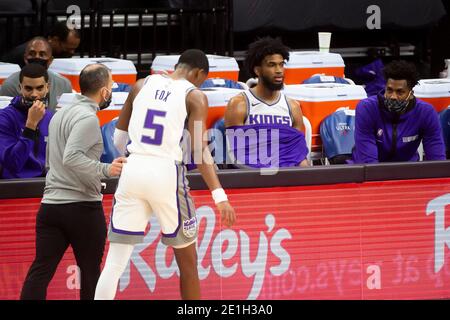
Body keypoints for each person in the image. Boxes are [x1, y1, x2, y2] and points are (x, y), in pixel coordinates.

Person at [94, 49, 236, 300]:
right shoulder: (195, 96)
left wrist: (138, 153)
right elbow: (198, 150)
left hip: (133, 169)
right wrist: (220, 195)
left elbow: (118, 138)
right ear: (199, 73)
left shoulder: (140, 85)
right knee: (188, 265)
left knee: (114, 264)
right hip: (166, 174)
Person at [20, 64, 126, 300]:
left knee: (40, 272)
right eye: (110, 86)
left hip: (50, 207)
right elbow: (71, 157)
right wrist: (106, 169)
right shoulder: (87, 118)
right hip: (82, 208)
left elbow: (56, 160)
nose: (110, 90)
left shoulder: (60, 114)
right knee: (90, 275)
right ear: (105, 93)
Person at [224, 37, 309, 168]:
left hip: (286, 172)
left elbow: (295, 153)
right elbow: (237, 153)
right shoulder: (239, 104)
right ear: (257, 70)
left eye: (281, 64)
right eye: (272, 65)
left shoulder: (293, 106)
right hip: (252, 173)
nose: (279, 70)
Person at [351, 60, 446, 163]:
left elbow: (437, 161)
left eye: (400, 92)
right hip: (370, 173)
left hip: (407, 171)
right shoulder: (366, 108)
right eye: (389, 90)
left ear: (411, 93)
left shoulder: (426, 112)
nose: (393, 96)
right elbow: (367, 162)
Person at [0, 63, 52, 179]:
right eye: (28, 88)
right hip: (16, 187)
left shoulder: (53, 118)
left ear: (47, 88)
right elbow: (13, 164)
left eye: (39, 88)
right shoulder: (4, 118)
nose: (34, 94)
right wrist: (30, 126)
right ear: (20, 88)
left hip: (48, 185)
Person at [0, 37, 73, 112]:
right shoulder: (10, 85)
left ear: (50, 60)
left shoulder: (64, 84)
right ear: (25, 58)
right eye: (32, 54)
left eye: (42, 54)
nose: (37, 57)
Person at [1, 21, 81, 67]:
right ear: (54, 40)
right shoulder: (30, 55)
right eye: (67, 48)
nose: (72, 52)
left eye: (74, 49)